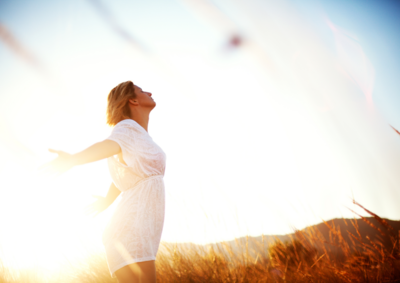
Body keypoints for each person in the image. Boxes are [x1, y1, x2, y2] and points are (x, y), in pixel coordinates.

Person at [41, 81, 166, 283]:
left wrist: (107, 200)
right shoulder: (127, 129)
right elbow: (107, 146)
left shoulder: (139, 136)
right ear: (132, 100)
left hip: (135, 228)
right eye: (142, 91)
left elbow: (128, 172)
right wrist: (74, 159)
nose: (149, 92)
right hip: (133, 230)